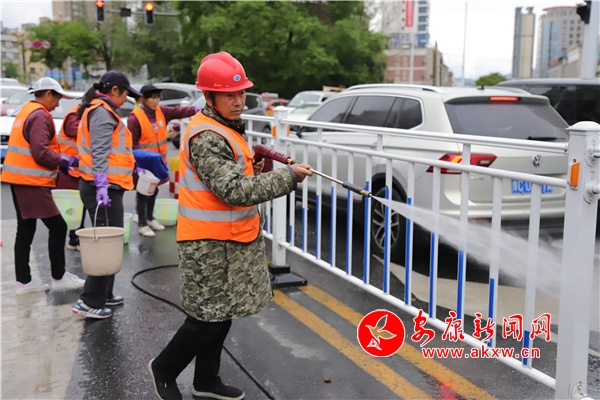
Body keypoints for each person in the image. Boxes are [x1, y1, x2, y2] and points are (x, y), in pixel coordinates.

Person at [148, 52, 313, 400]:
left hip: (230, 237)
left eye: (241, 93)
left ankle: (206, 380)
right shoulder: (206, 136)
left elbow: (236, 176)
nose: (239, 101)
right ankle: (164, 368)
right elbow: (234, 190)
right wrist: (288, 177)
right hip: (206, 242)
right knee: (205, 318)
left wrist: (256, 168)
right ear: (209, 97)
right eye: (229, 95)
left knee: (222, 314)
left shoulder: (225, 126)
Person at [1, 77, 85, 295]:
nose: (57, 104)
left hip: (20, 179)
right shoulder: (40, 115)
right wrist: (65, 161)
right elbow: (40, 152)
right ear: (48, 94)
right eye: (57, 98)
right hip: (31, 182)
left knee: (26, 229)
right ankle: (59, 276)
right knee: (58, 226)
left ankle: (24, 282)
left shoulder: (26, 110)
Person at [72, 70, 142, 319]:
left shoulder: (99, 110)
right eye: (125, 94)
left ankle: (105, 294)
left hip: (106, 186)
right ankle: (89, 301)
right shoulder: (102, 112)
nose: (126, 100)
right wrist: (101, 184)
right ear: (114, 90)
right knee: (104, 245)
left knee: (110, 242)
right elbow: (100, 152)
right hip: (102, 188)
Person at [127, 84, 199, 237]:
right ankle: (142, 224)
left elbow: (178, 111)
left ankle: (150, 218)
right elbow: (131, 144)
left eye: (158, 97)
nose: (156, 101)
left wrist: (194, 110)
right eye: (152, 98)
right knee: (143, 192)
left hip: (158, 163)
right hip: (143, 163)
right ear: (143, 99)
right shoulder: (135, 118)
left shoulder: (162, 112)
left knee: (154, 190)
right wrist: (137, 163)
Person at [55, 103, 86, 250]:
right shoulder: (74, 115)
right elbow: (76, 131)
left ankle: (75, 238)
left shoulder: (82, 114)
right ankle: (74, 239)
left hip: (79, 169)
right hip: (70, 170)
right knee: (74, 207)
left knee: (79, 206)